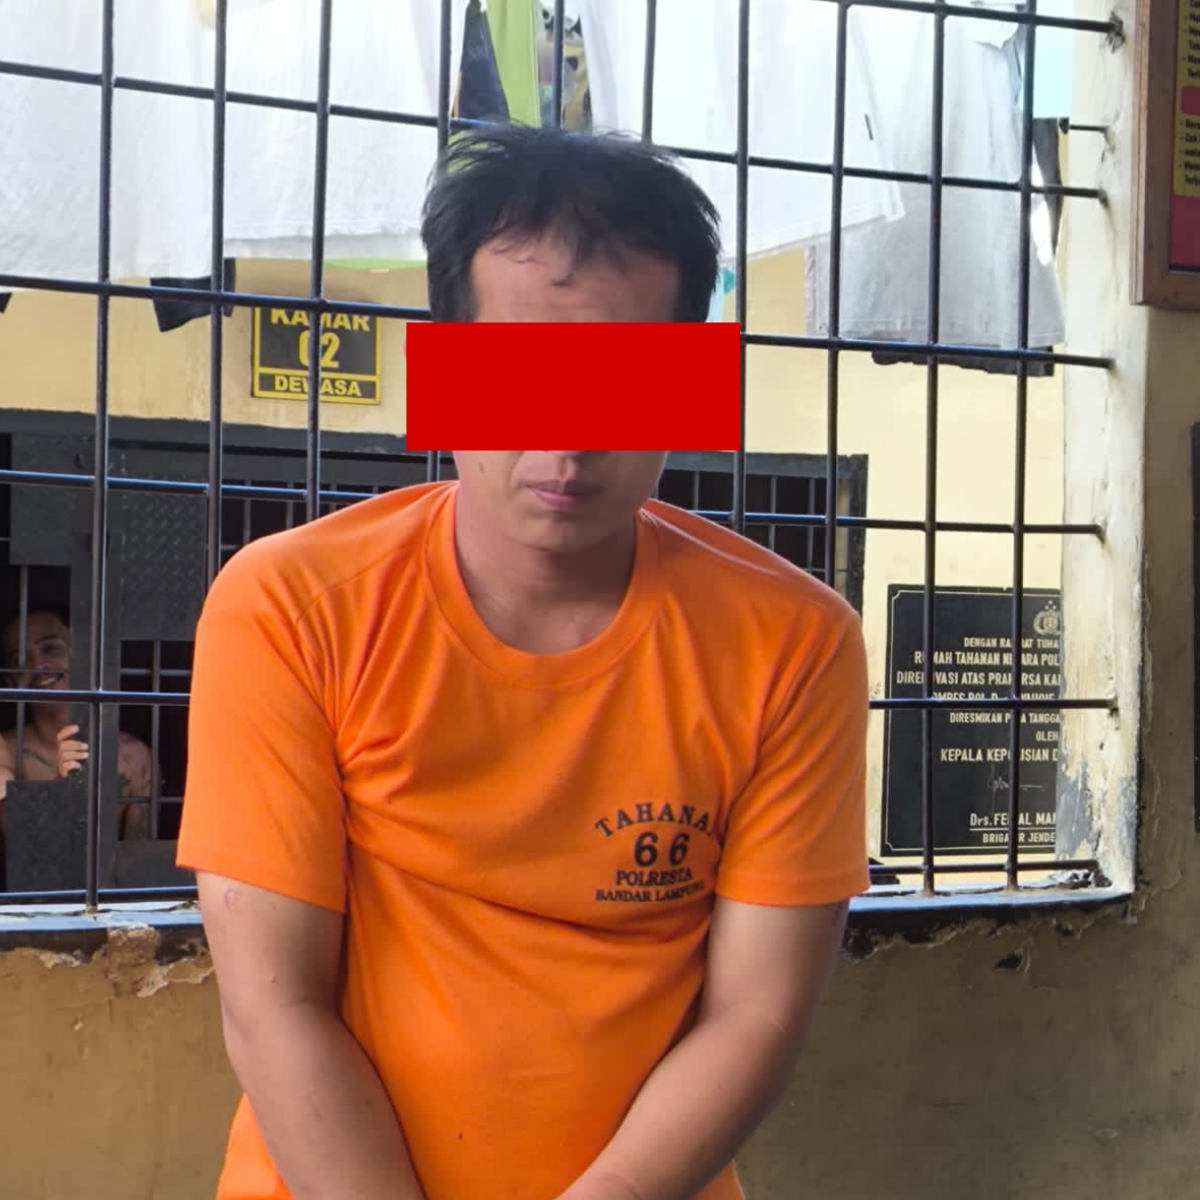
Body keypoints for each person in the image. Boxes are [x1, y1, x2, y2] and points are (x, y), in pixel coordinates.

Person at [177, 125, 869, 1200]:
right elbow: (275, 1006)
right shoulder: (291, 608)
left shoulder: (794, 643)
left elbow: (757, 1012)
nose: (569, 438)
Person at [0, 606, 154, 839]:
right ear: (11, 681)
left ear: (82, 655)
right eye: (20, 659)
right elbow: (21, 845)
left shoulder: (133, 757)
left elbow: (140, 854)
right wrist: (63, 786)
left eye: (51, 648)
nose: (38, 665)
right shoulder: (6, 751)